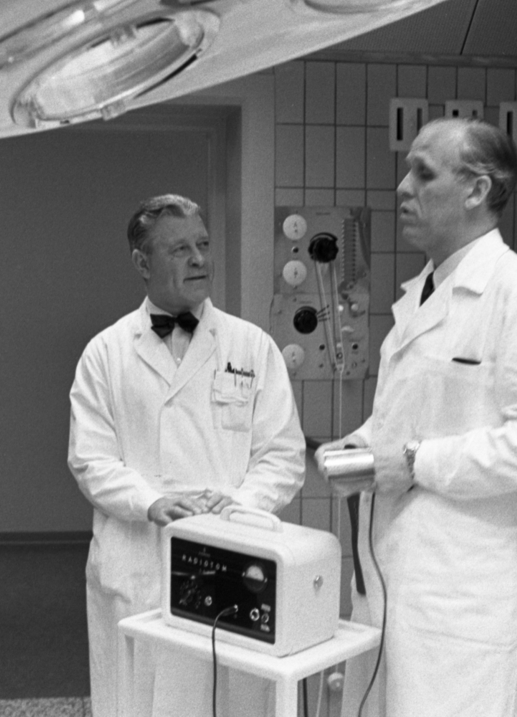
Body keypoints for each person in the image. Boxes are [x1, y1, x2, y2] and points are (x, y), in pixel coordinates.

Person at [318, 117, 517, 717]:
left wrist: (418, 462)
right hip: (398, 581)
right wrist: (359, 447)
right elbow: (416, 414)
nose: (402, 188)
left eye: (423, 173)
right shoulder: (422, 291)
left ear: (477, 190)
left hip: (467, 598)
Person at [68, 194, 305, 716]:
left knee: (226, 700)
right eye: (179, 249)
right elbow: (90, 460)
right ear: (142, 262)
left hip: (231, 555)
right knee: (137, 701)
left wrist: (239, 505)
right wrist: (150, 501)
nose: (199, 259)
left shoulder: (251, 347)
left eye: (203, 244)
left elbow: (283, 456)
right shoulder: (105, 353)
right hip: (139, 564)